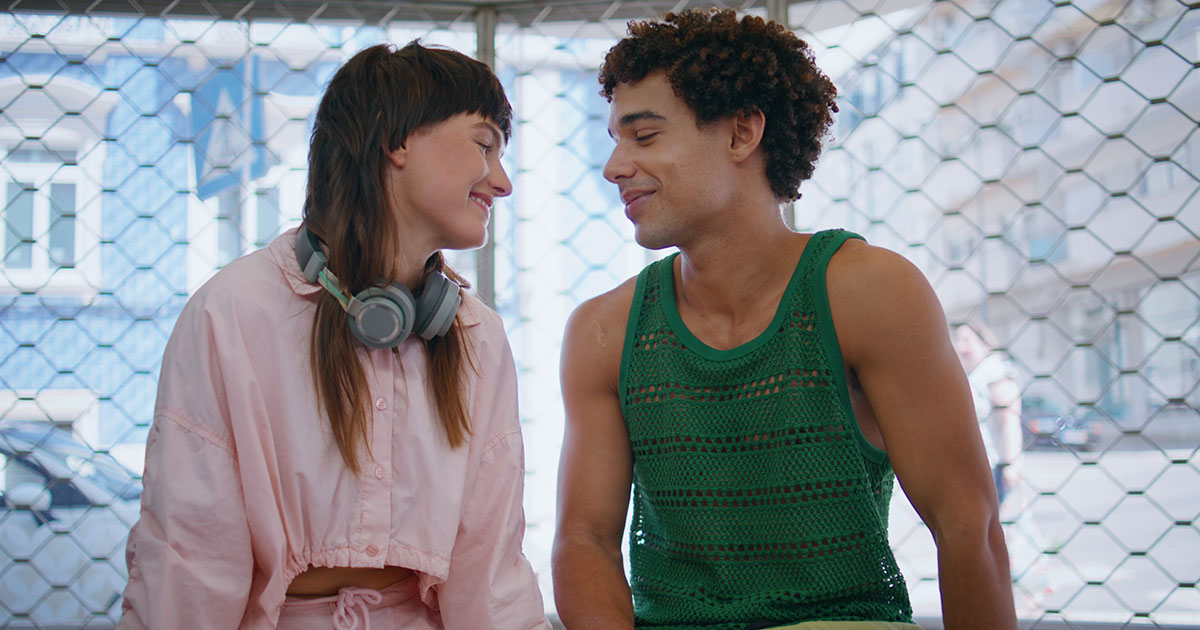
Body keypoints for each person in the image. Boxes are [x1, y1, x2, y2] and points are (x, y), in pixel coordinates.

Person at [552, 9, 1017, 630]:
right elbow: (583, 540)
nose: (614, 166)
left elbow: (968, 526)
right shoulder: (602, 331)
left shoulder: (870, 293)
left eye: (644, 136)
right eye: (615, 140)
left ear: (742, 134)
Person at [119, 42, 550, 630]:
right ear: (396, 141)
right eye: (484, 145)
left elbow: (491, 580)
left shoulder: (479, 336)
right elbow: (188, 565)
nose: (501, 182)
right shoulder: (231, 313)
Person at [952, 324, 1024, 506]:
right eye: (957, 340)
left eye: (967, 340)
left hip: (994, 470)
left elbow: (1009, 420)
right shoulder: (973, 373)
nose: (961, 346)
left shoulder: (994, 370)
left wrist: (1010, 465)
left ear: (985, 344)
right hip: (976, 469)